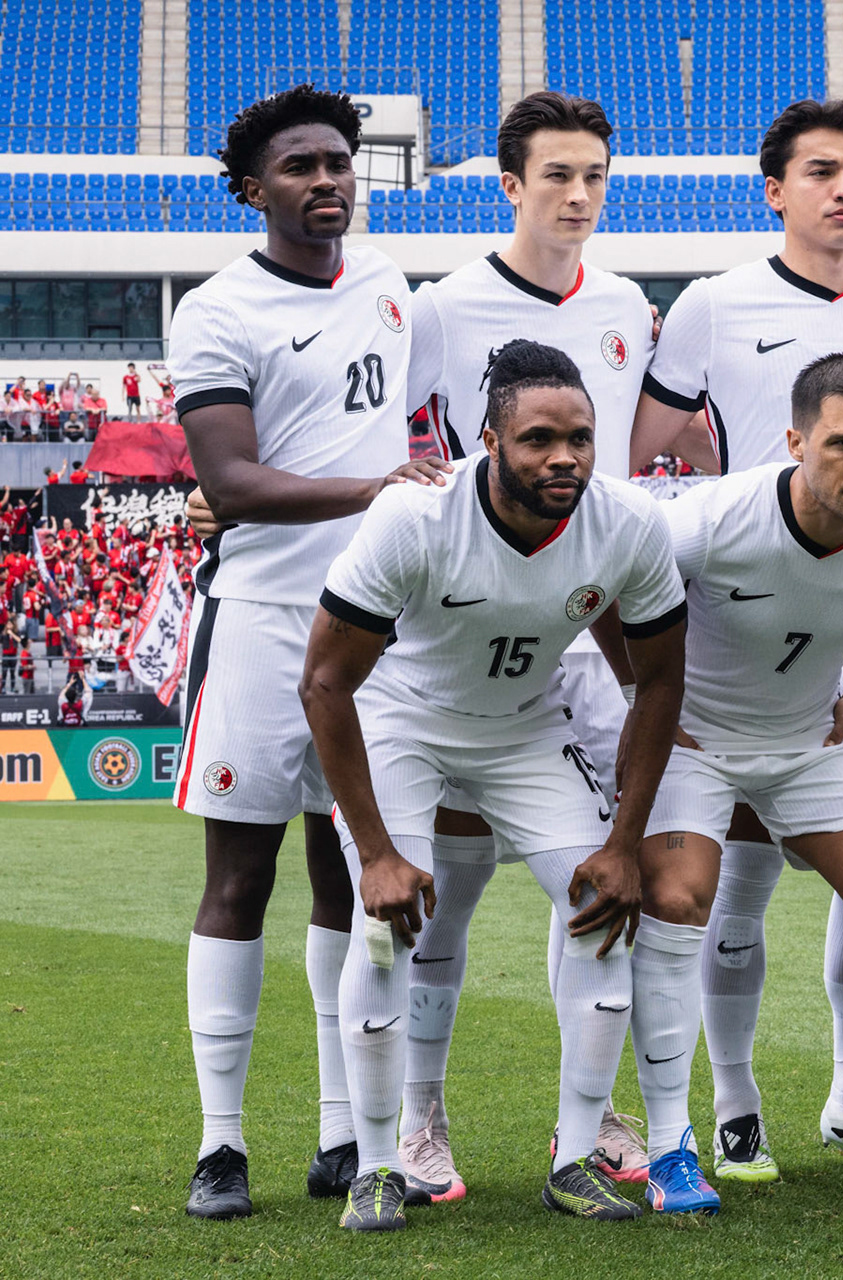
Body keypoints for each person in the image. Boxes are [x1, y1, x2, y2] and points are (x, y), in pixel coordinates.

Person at [629, 98, 843, 1183]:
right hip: (709, 687)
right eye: (821, 170)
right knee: (700, 900)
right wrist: (654, 703)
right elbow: (633, 499)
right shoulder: (714, 309)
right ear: (775, 189)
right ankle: (700, 1123)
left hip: (814, 698)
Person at [300, 339, 687, 1230]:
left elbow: (659, 681)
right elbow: (325, 683)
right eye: (539, 439)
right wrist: (378, 853)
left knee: (601, 905)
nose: (564, 457)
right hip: (406, 721)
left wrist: (624, 844)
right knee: (385, 929)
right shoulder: (413, 519)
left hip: (523, 730)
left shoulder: (626, 525)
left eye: (581, 438)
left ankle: (577, 1155)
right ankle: (378, 1164)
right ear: (489, 440)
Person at [389, 89, 681, 1198]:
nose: (578, 194)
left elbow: (638, 455)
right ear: (510, 184)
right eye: (557, 174)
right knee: (446, 889)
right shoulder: (444, 305)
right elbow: (390, 443)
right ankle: (420, 1118)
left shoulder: (624, 302)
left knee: (603, 874)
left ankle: (594, 1114)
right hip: (471, 630)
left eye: (596, 175)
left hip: (592, 626)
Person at [167, 84, 448, 1221]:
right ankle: (220, 1143)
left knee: (356, 877)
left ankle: (344, 1130)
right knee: (239, 878)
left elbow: (426, 422)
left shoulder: (391, 288)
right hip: (261, 619)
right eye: (300, 165)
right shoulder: (217, 310)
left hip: (375, 626)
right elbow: (229, 484)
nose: (328, 178)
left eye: (340, 161)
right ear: (254, 188)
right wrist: (374, 487)